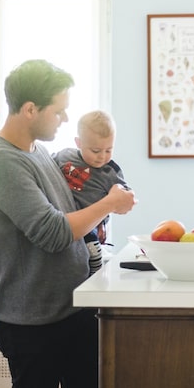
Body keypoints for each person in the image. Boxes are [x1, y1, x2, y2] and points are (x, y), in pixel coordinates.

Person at [0, 59, 137, 388]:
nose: (65, 119)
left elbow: (72, 215)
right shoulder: (1, 160)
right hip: (33, 324)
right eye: (59, 111)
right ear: (31, 109)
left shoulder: (41, 153)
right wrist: (109, 202)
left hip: (70, 311)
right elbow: (53, 233)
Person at [53, 110, 129, 275]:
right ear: (78, 142)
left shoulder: (110, 172)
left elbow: (123, 193)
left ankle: (96, 269)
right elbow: (47, 167)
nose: (102, 156)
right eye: (95, 151)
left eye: (108, 150)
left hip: (93, 223)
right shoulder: (65, 156)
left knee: (91, 247)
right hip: (67, 217)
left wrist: (125, 198)